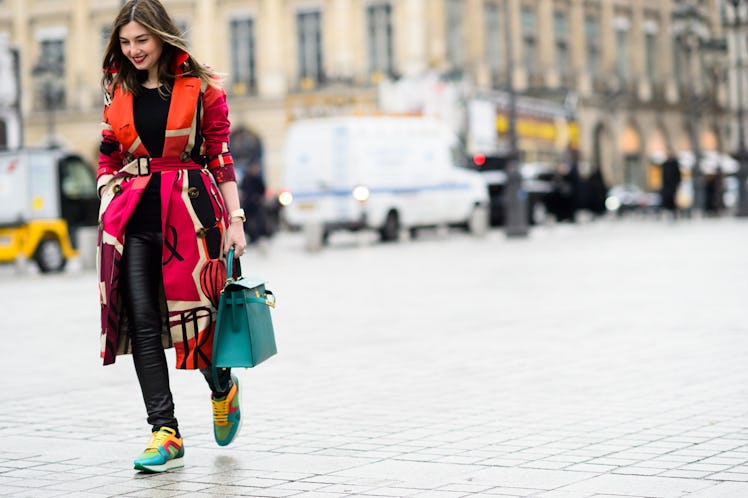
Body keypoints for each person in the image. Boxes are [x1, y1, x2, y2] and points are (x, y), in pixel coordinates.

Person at [97, 0, 247, 473]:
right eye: (125, 41)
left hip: (192, 214)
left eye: (142, 39)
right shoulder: (116, 88)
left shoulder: (201, 87)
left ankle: (221, 385)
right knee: (141, 321)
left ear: (162, 35)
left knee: (197, 320)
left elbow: (220, 156)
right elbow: (107, 154)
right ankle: (165, 431)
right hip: (134, 215)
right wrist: (107, 194)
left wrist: (237, 219)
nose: (134, 49)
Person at [240, 161, 268, 246]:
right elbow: (243, 189)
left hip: (256, 205)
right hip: (247, 204)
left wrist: (258, 198)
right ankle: (249, 236)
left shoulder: (258, 179)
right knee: (246, 221)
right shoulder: (246, 178)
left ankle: (258, 237)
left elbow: (262, 190)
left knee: (259, 221)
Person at [660, 151, 681, 219]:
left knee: (673, 201)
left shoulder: (675, 164)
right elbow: (663, 176)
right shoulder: (665, 164)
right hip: (666, 187)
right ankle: (667, 214)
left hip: (673, 187)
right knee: (666, 201)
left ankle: (674, 214)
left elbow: (678, 176)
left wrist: (677, 185)